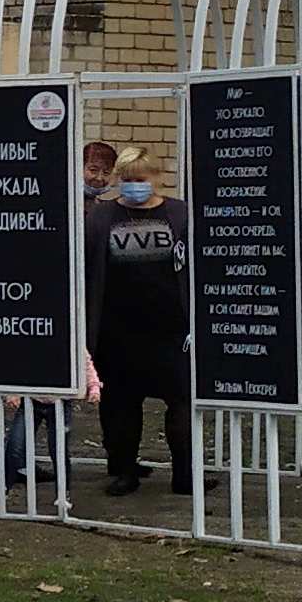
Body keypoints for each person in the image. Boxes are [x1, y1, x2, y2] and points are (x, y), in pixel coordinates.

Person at [0, 140, 126, 488]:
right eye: (92, 170)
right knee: (36, 385)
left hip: (87, 298)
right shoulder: (60, 201)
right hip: (52, 294)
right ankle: (17, 463)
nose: (98, 178)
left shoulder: (102, 209)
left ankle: (38, 461)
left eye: (105, 172)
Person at [86, 147, 192, 496]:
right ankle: (124, 471)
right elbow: (87, 268)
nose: (133, 186)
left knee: (182, 401)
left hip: (171, 330)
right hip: (117, 332)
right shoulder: (101, 217)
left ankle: (185, 475)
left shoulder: (179, 214)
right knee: (120, 405)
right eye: (126, 179)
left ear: (156, 178)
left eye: (140, 179)